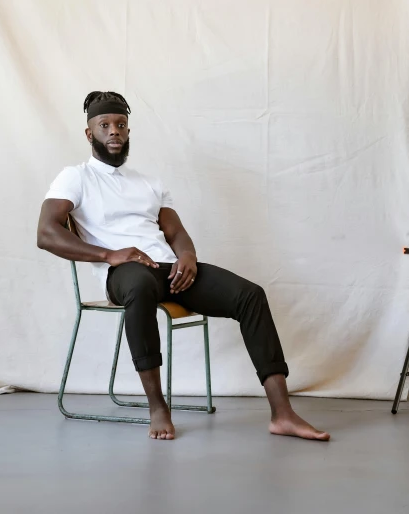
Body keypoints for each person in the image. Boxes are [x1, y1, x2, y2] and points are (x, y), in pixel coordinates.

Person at [37, 91, 330, 442]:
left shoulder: (148, 183)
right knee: (141, 285)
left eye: (120, 125)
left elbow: (176, 232)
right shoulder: (76, 177)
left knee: (250, 295)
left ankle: (282, 413)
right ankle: (157, 405)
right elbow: (46, 233)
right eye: (104, 125)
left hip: (168, 270)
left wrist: (187, 257)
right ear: (90, 134)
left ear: (128, 131)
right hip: (124, 275)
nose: (113, 131)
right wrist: (109, 255)